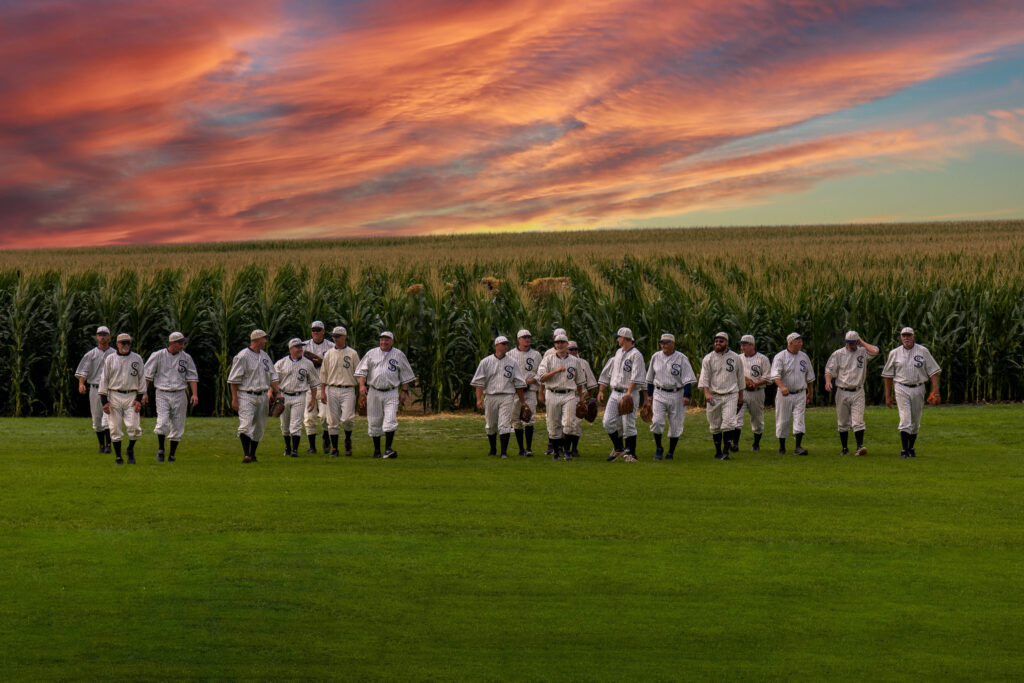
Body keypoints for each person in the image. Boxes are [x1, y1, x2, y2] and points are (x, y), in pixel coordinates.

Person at [355, 331, 416, 459]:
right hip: (374, 391)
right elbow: (362, 371)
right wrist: (361, 386)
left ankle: (388, 449)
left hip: (391, 391)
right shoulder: (371, 353)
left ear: (392, 341)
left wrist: (404, 392)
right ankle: (377, 451)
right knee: (374, 420)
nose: (384, 342)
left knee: (390, 419)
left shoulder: (398, 355)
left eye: (387, 340)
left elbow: (406, 375)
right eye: (382, 339)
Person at [882, 327, 941, 458]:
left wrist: (935, 391)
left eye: (909, 335)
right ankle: (904, 450)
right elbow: (887, 375)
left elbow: (934, 371)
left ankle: (911, 448)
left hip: (919, 387)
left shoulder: (923, 351)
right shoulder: (895, 353)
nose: (906, 338)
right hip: (901, 387)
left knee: (915, 421)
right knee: (905, 419)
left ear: (913, 336)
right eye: (904, 336)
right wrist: (887, 396)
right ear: (901, 337)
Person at [143, 331, 198, 462]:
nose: (182, 345)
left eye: (183, 343)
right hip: (162, 392)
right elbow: (147, 376)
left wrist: (194, 394)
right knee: (162, 421)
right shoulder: (158, 356)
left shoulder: (186, 358)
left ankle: (172, 454)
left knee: (178, 424)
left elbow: (192, 377)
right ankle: (161, 449)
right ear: (172, 343)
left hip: (180, 393)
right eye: (180, 343)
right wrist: (144, 393)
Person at [228, 329, 282, 463]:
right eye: (264, 338)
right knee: (245, 424)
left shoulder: (264, 356)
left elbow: (273, 376)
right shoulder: (242, 356)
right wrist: (234, 399)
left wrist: (278, 393)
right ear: (257, 340)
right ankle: (246, 454)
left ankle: (253, 454)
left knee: (259, 426)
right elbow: (233, 380)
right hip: (246, 395)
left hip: (263, 395)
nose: (266, 341)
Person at [471, 335, 529, 458]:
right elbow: (479, 382)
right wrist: (478, 399)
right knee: (491, 424)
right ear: (496, 345)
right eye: (502, 344)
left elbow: (518, 383)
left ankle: (503, 452)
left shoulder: (512, 362)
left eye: (506, 344)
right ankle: (493, 450)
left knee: (504, 424)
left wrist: (522, 401)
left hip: (507, 395)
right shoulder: (486, 362)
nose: (505, 346)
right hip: (490, 395)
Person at [824, 331, 880, 455]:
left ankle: (859, 446)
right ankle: (844, 448)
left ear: (857, 342)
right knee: (843, 421)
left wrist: (862, 343)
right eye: (847, 343)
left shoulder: (863, 352)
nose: (849, 346)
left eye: (852, 343)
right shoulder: (838, 354)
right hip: (842, 390)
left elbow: (875, 351)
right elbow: (829, 370)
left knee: (858, 420)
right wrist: (828, 382)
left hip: (858, 390)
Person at [644, 333, 697, 460]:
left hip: (677, 393)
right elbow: (650, 378)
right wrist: (649, 396)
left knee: (676, 424)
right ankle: (659, 448)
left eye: (667, 342)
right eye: (662, 342)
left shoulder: (681, 358)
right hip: (659, 392)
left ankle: (671, 452)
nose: (664, 345)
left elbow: (688, 379)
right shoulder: (656, 357)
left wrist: (686, 395)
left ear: (673, 343)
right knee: (656, 421)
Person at [599, 327, 646, 462]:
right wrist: (602, 390)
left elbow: (636, 375)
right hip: (615, 393)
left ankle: (631, 454)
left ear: (625, 338)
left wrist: (629, 393)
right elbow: (609, 373)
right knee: (607, 421)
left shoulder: (636, 355)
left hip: (629, 393)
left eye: (618, 337)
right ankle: (619, 448)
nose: (617, 339)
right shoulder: (618, 352)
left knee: (628, 425)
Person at [537, 333, 587, 460]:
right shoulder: (548, 359)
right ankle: (556, 452)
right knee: (553, 424)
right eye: (557, 342)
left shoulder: (575, 361)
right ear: (555, 344)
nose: (559, 344)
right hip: (552, 393)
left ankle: (567, 451)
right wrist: (556, 371)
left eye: (562, 342)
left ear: (567, 344)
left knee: (569, 423)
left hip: (569, 393)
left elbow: (580, 381)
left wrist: (581, 398)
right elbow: (541, 377)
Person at [98, 333, 146, 465]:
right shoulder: (110, 359)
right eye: (122, 343)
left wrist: (139, 398)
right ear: (117, 344)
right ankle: (118, 456)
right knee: (114, 428)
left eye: (127, 343)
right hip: (114, 395)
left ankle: (130, 449)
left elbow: (142, 379)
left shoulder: (137, 359)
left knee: (134, 427)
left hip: (131, 395)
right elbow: (104, 380)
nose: (125, 345)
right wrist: (104, 401)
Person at [698, 332, 745, 460]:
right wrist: (706, 393)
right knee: (714, 425)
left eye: (721, 341)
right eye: (716, 341)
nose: (718, 343)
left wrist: (741, 397)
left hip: (731, 394)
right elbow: (704, 378)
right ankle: (718, 451)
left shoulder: (736, 357)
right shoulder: (708, 358)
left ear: (727, 343)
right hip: (714, 395)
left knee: (729, 423)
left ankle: (726, 452)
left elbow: (740, 378)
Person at [770, 332, 815, 455]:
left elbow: (810, 377)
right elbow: (775, 375)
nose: (801, 343)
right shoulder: (780, 357)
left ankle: (798, 447)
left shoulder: (804, 357)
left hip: (800, 392)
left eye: (801, 341)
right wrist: (782, 387)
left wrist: (810, 393)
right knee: (783, 420)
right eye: (798, 341)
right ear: (790, 343)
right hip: (785, 394)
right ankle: (782, 447)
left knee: (799, 419)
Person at [319, 326, 361, 457]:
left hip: (348, 388)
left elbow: (359, 373)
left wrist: (362, 390)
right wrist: (323, 391)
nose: (335, 339)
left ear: (344, 337)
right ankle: (335, 448)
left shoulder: (352, 353)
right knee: (332, 420)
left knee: (348, 419)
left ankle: (348, 439)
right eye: (334, 336)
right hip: (331, 388)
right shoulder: (329, 354)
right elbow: (323, 374)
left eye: (338, 336)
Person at [275, 338, 321, 457]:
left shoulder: (308, 363)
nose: (300, 349)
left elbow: (314, 383)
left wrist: (312, 399)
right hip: (284, 395)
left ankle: (294, 450)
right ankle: (288, 447)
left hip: (300, 396)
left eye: (301, 346)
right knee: (284, 425)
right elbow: (274, 381)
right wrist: (273, 393)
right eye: (297, 347)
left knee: (296, 424)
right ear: (290, 349)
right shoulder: (281, 363)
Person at [75, 325, 114, 453]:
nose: (102, 337)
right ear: (97, 337)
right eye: (100, 335)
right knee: (97, 420)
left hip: (110, 389)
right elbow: (83, 371)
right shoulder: (91, 354)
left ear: (109, 336)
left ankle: (109, 445)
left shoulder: (114, 354)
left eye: (105, 335)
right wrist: (81, 384)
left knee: (108, 417)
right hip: (95, 388)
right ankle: (101, 445)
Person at [507, 329, 542, 457]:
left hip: (530, 390)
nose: (527, 339)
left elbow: (541, 372)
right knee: (515, 419)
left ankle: (528, 448)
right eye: (524, 337)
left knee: (529, 418)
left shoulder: (536, 355)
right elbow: (507, 372)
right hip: (515, 391)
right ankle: (521, 449)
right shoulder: (510, 354)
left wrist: (531, 380)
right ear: (518, 339)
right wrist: (517, 383)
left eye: (528, 337)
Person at [302, 321, 334, 454]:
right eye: (313, 330)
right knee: (309, 417)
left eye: (318, 329)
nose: (315, 332)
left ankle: (326, 436)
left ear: (323, 331)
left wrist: (321, 361)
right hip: (308, 386)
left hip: (324, 385)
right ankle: (312, 446)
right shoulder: (304, 346)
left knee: (326, 417)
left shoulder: (331, 346)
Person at [736, 334, 771, 451]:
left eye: (745, 345)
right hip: (741, 392)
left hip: (757, 392)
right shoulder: (737, 358)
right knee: (737, 418)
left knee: (757, 419)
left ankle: (756, 444)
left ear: (752, 345)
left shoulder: (763, 359)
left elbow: (768, 377)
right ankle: (734, 444)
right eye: (741, 345)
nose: (742, 347)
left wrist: (756, 383)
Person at [564, 340, 598, 458]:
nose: (573, 351)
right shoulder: (562, 361)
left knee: (577, 423)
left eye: (575, 349)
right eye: (571, 349)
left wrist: (587, 398)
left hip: (580, 396)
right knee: (566, 422)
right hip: (566, 395)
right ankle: (562, 448)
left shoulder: (583, 363)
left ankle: (574, 449)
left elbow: (591, 383)